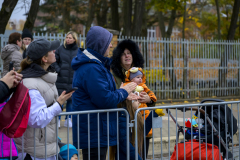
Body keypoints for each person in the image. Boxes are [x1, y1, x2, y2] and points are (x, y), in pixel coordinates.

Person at [71, 26, 137, 160]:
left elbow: (103, 93)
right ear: (100, 45)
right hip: (94, 130)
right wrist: (124, 91)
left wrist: (122, 93)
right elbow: (104, 99)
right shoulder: (92, 68)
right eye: (108, 43)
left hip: (97, 129)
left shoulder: (96, 65)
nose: (111, 45)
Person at [14, 39, 74, 160]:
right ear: (44, 59)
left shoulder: (43, 77)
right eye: (52, 50)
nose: (55, 51)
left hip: (44, 147)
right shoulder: (31, 84)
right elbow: (36, 119)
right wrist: (59, 104)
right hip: (35, 151)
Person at [111, 39, 156, 158]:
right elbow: (112, 97)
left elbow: (149, 96)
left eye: (129, 53)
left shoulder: (139, 74)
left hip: (142, 123)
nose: (127, 56)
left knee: (141, 154)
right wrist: (125, 96)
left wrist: (148, 100)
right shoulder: (114, 76)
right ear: (118, 56)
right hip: (123, 124)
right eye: (123, 53)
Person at [53, 31, 79, 128]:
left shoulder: (78, 51)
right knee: (60, 100)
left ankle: (68, 120)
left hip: (73, 79)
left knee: (71, 100)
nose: (68, 39)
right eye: (67, 37)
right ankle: (58, 120)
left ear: (74, 39)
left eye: (70, 38)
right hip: (61, 79)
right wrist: (59, 70)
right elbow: (54, 61)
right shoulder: (60, 49)